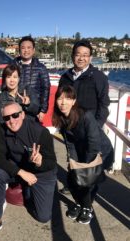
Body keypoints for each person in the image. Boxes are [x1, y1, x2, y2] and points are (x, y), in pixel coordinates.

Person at [0, 102, 57, 239]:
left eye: (15, 115)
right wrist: (21, 172)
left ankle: (30, 191)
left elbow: (51, 163)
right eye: (6, 118)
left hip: (40, 173)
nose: (11, 120)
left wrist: (40, 162)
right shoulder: (2, 131)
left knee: (43, 217)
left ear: (23, 114)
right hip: (19, 170)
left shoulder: (40, 132)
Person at [52, 85, 113, 224]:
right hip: (81, 149)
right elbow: (70, 143)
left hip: (101, 150)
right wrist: (73, 161)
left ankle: (87, 208)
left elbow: (94, 142)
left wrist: (85, 165)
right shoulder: (62, 118)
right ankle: (80, 203)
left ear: (74, 101)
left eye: (68, 98)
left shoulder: (85, 116)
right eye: (60, 98)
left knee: (88, 180)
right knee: (73, 178)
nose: (63, 102)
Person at [58, 39, 110, 194]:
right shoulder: (65, 77)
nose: (81, 58)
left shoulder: (98, 77)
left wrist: (96, 125)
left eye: (85, 55)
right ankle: (72, 184)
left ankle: (87, 199)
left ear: (90, 58)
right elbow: (59, 101)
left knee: (89, 162)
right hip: (70, 128)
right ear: (73, 56)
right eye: (78, 54)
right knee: (72, 159)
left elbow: (104, 104)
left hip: (89, 129)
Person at [13, 36, 50, 122]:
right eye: (23, 48)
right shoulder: (12, 66)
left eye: (29, 47)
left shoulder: (41, 68)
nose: (26, 50)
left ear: (33, 50)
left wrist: (43, 110)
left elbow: (46, 89)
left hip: (34, 109)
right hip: (16, 108)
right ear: (19, 50)